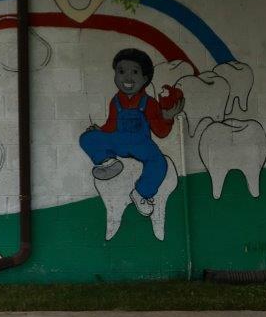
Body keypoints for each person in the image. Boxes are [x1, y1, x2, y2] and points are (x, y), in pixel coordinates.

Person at [78, 48, 185, 217]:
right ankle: (108, 162)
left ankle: (141, 193)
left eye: (134, 72)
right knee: (87, 138)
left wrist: (167, 117)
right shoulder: (115, 101)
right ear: (115, 75)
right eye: (121, 71)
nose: (127, 77)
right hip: (118, 140)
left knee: (159, 163)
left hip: (141, 145)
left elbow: (161, 132)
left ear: (145, 78)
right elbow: (111, 125)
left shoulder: (149, 103)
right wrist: (100, 131)